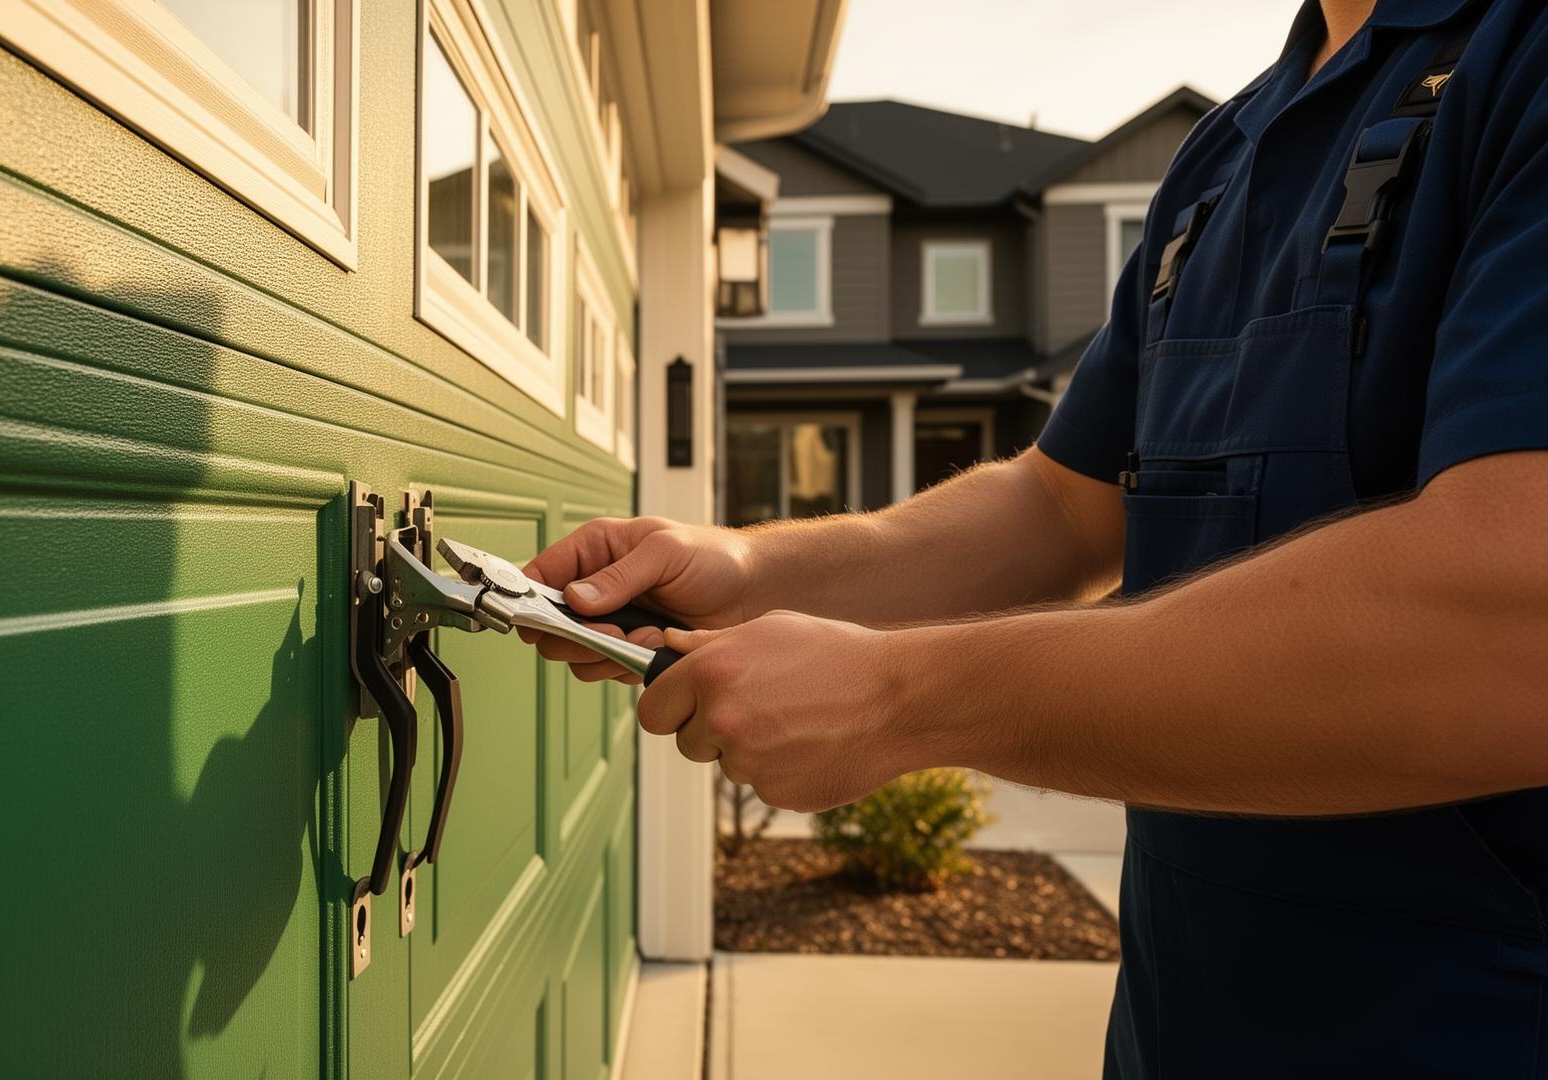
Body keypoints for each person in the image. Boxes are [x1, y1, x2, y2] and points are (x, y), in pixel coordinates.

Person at [522, 0, 1548, 1074]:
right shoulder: (1226, 150)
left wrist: (898, 696)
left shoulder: (1516, 58)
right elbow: (1059, 507)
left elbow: (1512, 628)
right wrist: (745, 571)